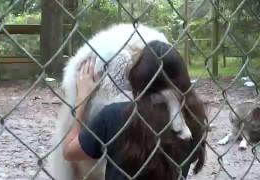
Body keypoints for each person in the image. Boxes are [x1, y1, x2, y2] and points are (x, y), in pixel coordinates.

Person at [63, 40, 207, 180]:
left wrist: (82, 97)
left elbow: (69, 152)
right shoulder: (193, 119)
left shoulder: (114, 116)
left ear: (138, 75)